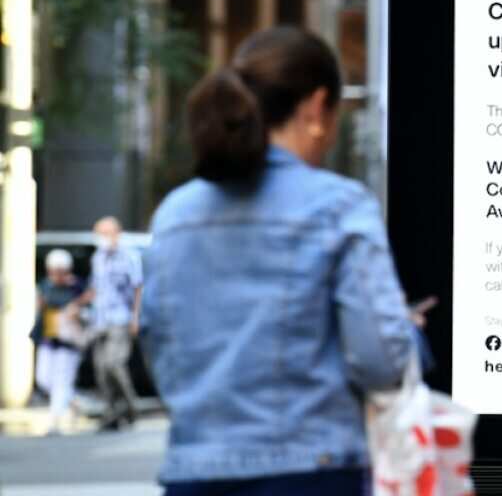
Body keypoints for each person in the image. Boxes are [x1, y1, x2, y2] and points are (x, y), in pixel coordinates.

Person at [139, 27, 416, 495]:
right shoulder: (338, 206)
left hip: (195, 472)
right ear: (316, 107)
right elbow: (380, 361)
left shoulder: (174, 216)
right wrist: (409, 332)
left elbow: (158, 345)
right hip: (311, 469)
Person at [83, 216, 143, 431]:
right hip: (99, 319)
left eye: (104, 233)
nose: (100, 238)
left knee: (114, 364)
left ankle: (130, 407)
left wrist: (136, 317)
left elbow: (138, 288)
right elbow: (95, 288)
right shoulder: (98, 257)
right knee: (100, 369)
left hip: (121, 318)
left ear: (116, 233)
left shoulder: (129, 256)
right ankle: (111, 413)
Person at [32, 249, 87, 434]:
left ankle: (54, 422)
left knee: (61, 381)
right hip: (49, 338)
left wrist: (78, 310)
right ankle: (73, 401)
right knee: (44, 379)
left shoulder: (78, 288)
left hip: (69, 341)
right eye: (53, 271)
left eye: (60, 271)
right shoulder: (46, 286)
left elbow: (90, 310)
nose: (56, 275)